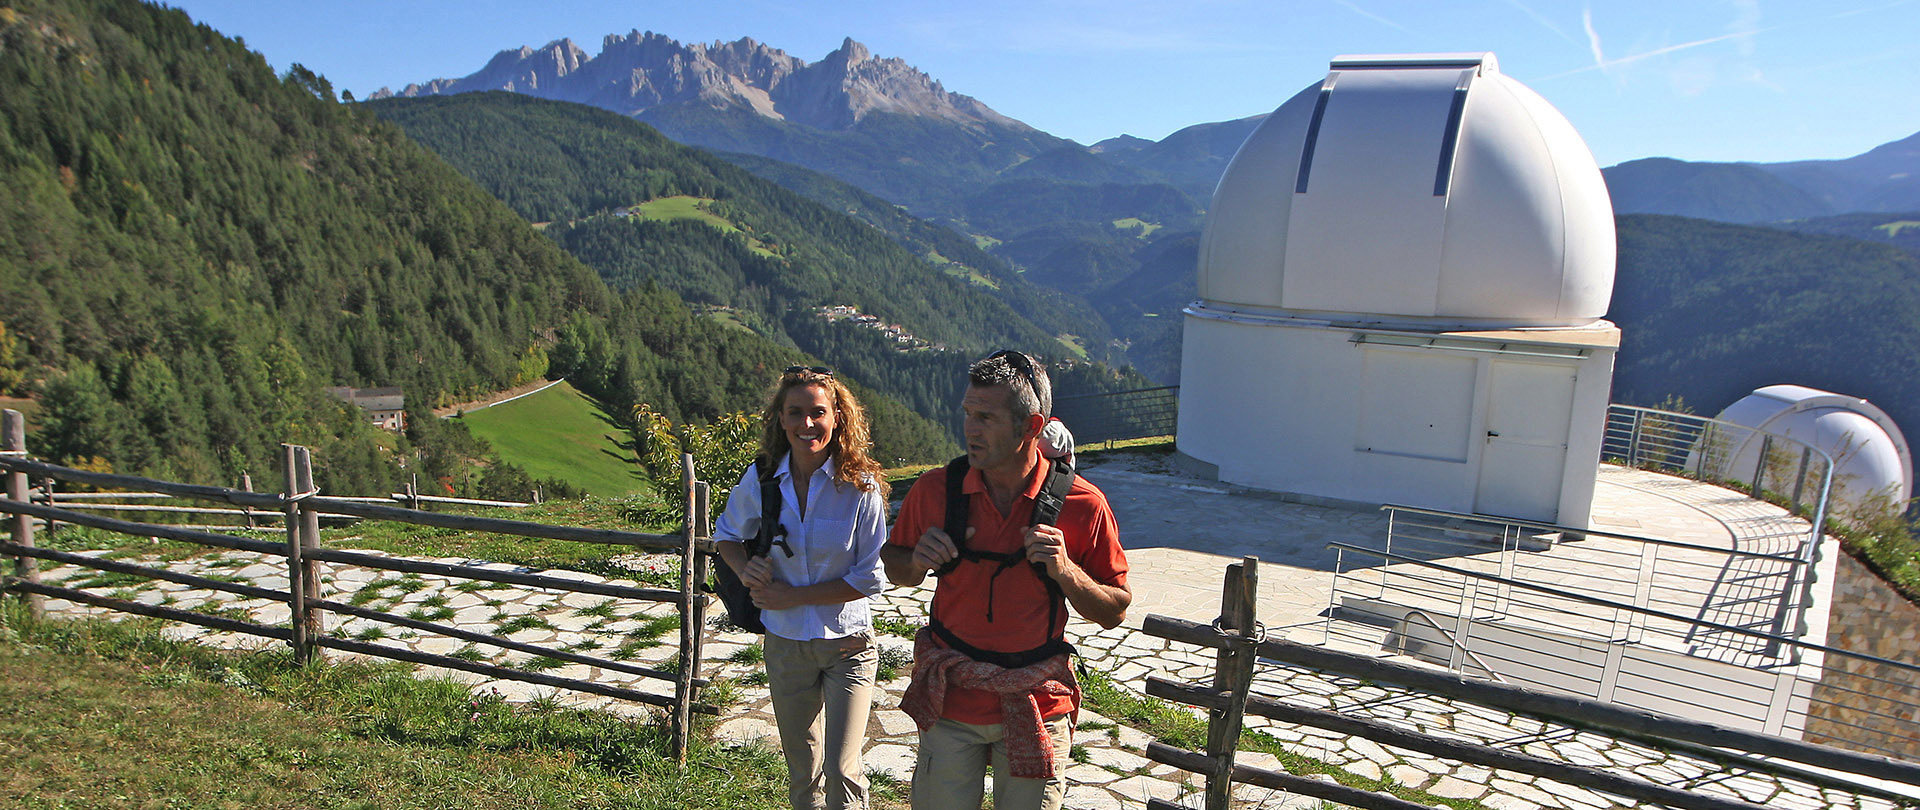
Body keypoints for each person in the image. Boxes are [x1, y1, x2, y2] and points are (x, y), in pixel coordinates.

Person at [882, 351, 1131, 810]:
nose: (970, 429)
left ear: (1032, 427)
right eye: (968, 414)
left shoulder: (1083, 504)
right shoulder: (935, 490)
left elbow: (1114, 610)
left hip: (1036, 703)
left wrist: (1066, 570)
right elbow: (895, 568)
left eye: (986, 418)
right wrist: (916, 560)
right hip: (951, 702)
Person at [713, 366, 889, 810]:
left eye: (818, 412)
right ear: (781, 418)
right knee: (802, 771)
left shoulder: (861, 486)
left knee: (842, 772)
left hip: (848, 645)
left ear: (837, 418)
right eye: (795, 413)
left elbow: (869, 578)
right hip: (786, 642)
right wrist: (745, 569)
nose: (806, 424)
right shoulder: (764, 479)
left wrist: (793, 597)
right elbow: (726, 534)